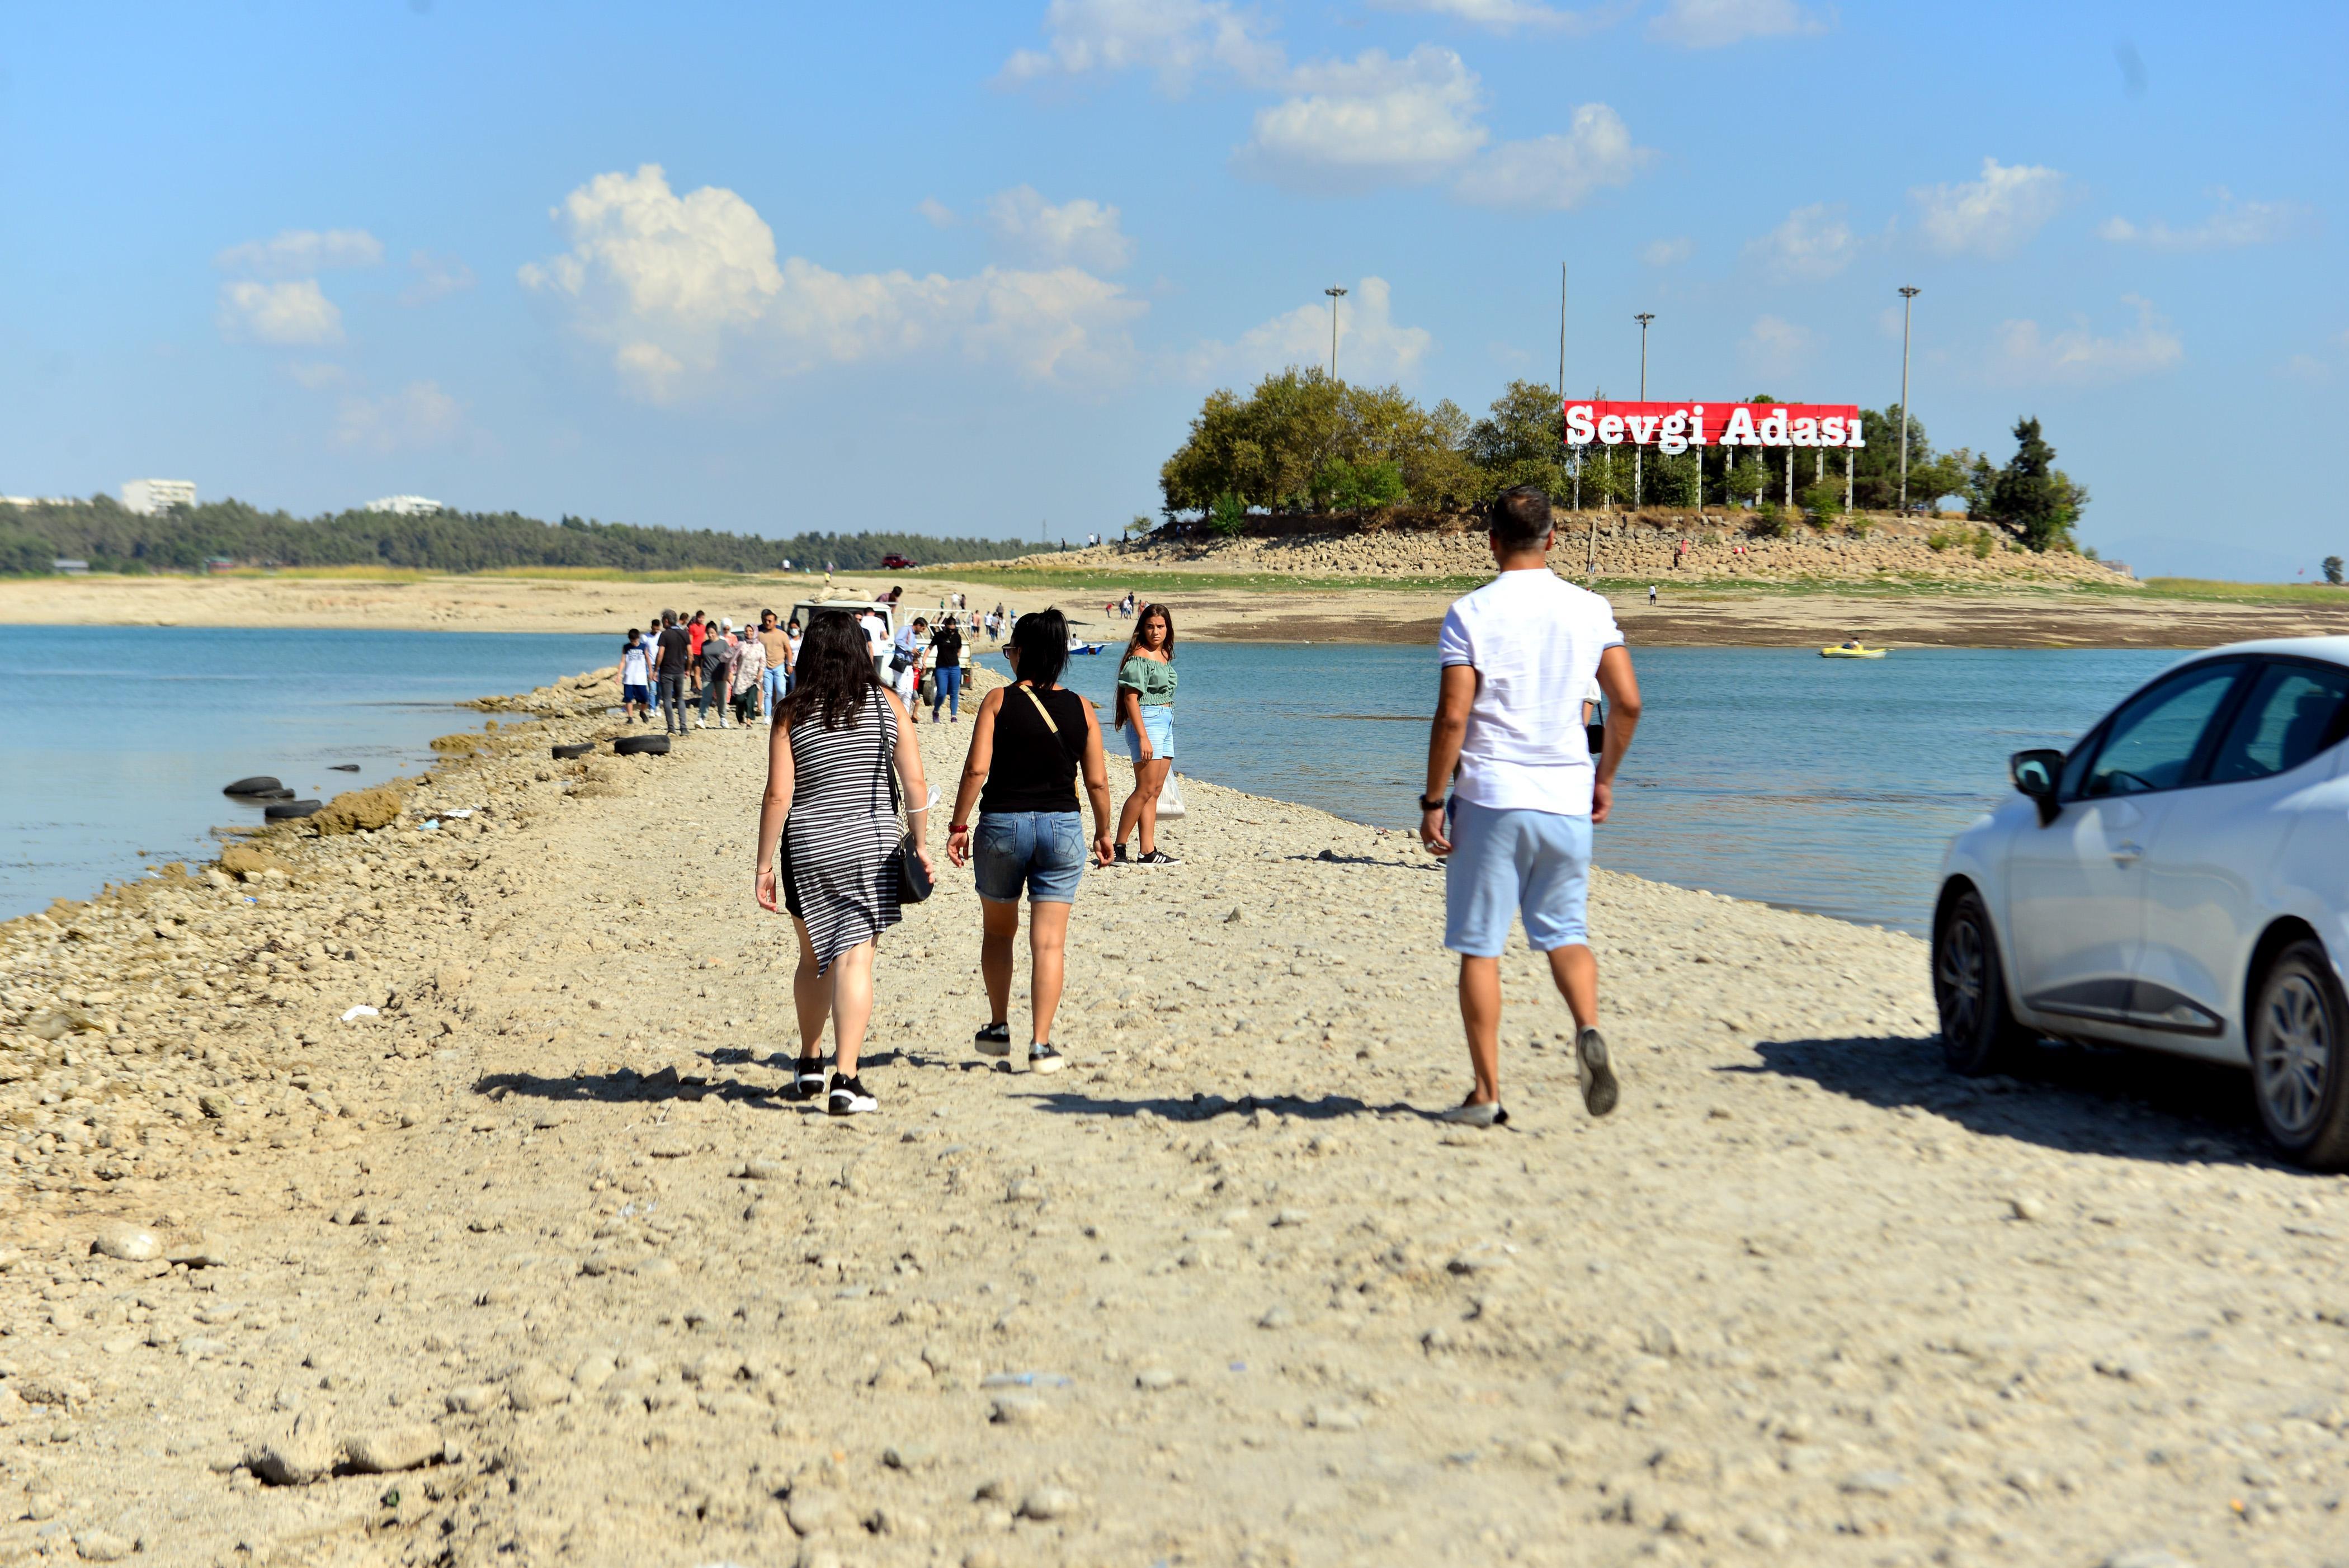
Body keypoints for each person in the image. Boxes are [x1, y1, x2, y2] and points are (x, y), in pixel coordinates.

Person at [1419, 485, 1642, 1128]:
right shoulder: (1590, 608)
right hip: (1566, 796)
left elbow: (1453, 715)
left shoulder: (1470, 612)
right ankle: (1588, 1026)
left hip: (1491, 799)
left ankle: (1486, 1091)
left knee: (1481, 946)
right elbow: (1626, 703)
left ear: (1490, 540)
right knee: (1565, 932)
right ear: (1553, 537)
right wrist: (1604, 778)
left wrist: (1435, 799)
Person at [753, 612, 933, 1116]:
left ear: (809, 653)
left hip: (807, 845)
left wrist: (764, 865)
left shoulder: (791, 710)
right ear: (862, 650)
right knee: (855, 961)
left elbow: (777, 795)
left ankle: (810, 1062)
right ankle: (846, 1079)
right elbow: (915, 784)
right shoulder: (888, 704)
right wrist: (920, 843)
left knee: (813, 960)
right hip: (867, 846)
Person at [945, 609, 1115, 1074]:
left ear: (1021, 653)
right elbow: (1097, 782)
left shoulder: (998, 701)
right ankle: (1041, 1045)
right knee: (1049, 945)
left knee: (1000, 932)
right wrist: (1104, 832)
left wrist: (958, 826)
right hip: (1062, 828)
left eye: (1010, 650)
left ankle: (999, 1027)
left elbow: (977, 770)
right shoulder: (1081, 707)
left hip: (1002, 826)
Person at [1111, 603, 1179, 866]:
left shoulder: (1162, 654)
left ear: (1167, 628)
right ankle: (1119, 847)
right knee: (1145, 789)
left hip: (1166, 720)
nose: (1155, 632)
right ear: (1142, 628)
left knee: (1156, 789)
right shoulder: (1140, 656)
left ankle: (1148, 851)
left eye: (1160, 627)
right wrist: (1143, 736)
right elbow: (1130, 699)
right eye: (1150, 626)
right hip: (1147, 721)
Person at [653, 610, 691, 734]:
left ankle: (671, 728)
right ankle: (684, 728)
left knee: (668, 700)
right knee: (680, 699)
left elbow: (660, 654)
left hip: (667, 671)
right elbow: (690, 655)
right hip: (680, 671)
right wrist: (688, 669)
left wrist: (656, 670)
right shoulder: (684, 634)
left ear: (666, 621)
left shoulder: (665, 635)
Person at [928, 615, 965, 724]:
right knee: (942, 693)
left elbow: (959, 650)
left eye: (953, 629)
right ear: (945, 626)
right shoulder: (939, 636)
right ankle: (936, 711)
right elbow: (930, 648)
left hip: (955, 668)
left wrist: (954, 659)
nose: (951, 631)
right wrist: (924, 660)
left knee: (954, 693)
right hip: (941, 668)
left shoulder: (957, 636)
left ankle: (954, 716)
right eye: (949, 629)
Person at [696, 622, 734, 728]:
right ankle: (701, 719)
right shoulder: (704, 645)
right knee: (706, 697)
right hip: (707, 675)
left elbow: (729, 659)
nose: (710, 635)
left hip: (720, 674)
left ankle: (723, 718)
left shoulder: (723, 644)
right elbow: (701, 661)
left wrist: (729, 673)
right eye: (708, 633)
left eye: (712, 633)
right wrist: (698, 675)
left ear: (716, 632)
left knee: (721, 698)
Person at [757, 611, 791, 717]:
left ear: (775, 621)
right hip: (766, 667)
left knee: (781, 691)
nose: (767, 623)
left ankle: (779, 710)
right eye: (765, 621)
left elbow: (788, 650)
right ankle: (768, 715)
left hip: (779, 666)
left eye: (770, 621)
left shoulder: (782, 635)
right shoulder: (761, 635)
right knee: (768, 693)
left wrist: (789, 664)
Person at [733, 624, 768, 726]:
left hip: (754, 678)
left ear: (755, 632)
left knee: (751, 700)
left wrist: (761, 672)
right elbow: (733, 659)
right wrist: (731, 671)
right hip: (741, 677)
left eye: (751, 631)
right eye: (747, 631)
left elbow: (763, 661)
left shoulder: (760, 646)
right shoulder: (741, 645)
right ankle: (740, 716)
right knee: (740, 700)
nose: (749, 633)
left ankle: (749, 720)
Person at [619, 628, 652, 723]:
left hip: (640, 678)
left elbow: (648, 660)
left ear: (638, 638)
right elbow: (622, 662)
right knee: (628, 698)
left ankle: (642, 712)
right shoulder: (626, 647)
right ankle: (630, 718)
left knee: (645, 699)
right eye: (632, 641)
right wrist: (618, 675)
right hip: (629, 678)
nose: (634, 642)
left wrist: (651, 671)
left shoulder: (643, 647)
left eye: (635, 640)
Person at [892, 615, 926, 707]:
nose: (923, 631)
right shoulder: (906, 630)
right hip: (900, 662)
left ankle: (905, 715)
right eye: (923, 628)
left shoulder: (914, 636)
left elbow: (912, 651)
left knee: (909, 692)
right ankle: (894, 709)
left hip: (909, 664)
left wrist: (916, 654)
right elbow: (897, 640)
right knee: (901, 690)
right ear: (918, 625)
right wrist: (911, 649)